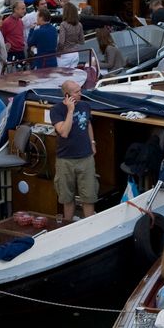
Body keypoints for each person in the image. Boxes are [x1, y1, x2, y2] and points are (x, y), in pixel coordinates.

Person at [51, 80, 97, 222]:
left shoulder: (85, 106)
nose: (80, 94)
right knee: (67, 197)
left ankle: (89, 226)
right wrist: (70, 110)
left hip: (86, 158)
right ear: (67, 95)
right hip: (65, 160)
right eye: (77, 92)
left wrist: (92, 142)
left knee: (89, 196)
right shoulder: (56, 110)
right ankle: (68, 226)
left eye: (80, 90)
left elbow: (87, 123)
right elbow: (64, 132)